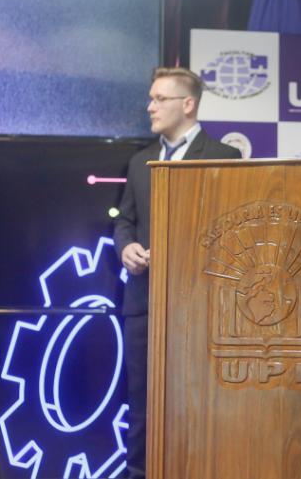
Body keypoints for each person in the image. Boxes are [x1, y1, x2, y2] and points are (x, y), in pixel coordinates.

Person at [114, 67, 242, 478]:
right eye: (150, 98)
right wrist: (126, 248)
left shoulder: (224, 157)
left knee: (200, 405)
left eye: (159, 99)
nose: (150, 106)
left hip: (201, 308)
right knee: (142, 404)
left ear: (188, 104)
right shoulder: (139, 161)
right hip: (144, 303)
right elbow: (124, 221)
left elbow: (236, 230)